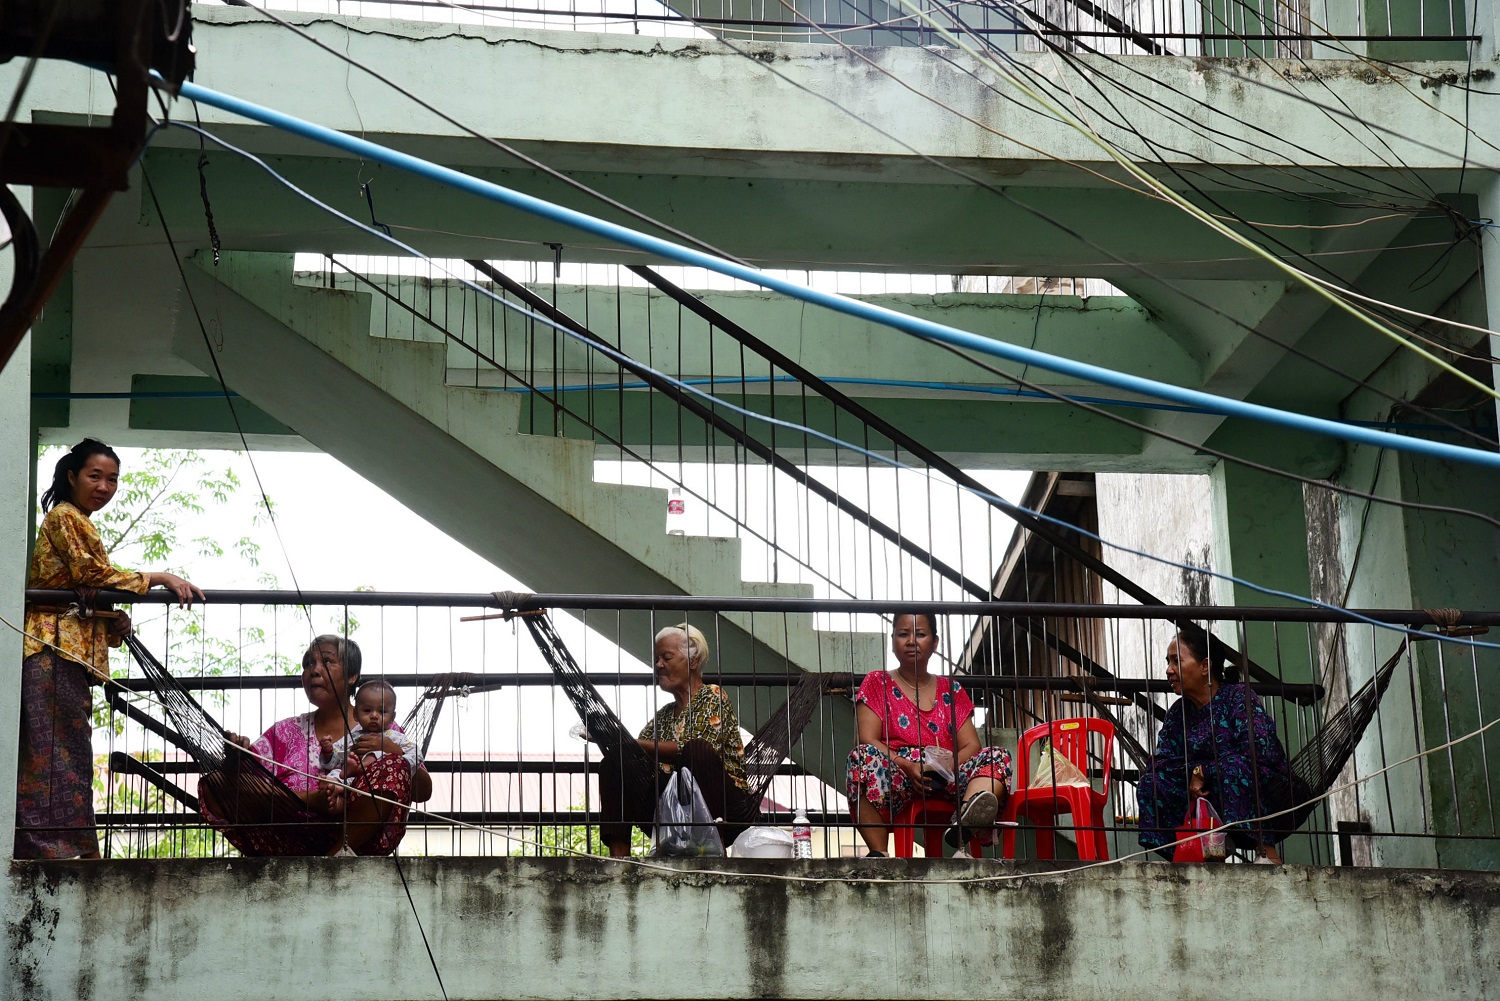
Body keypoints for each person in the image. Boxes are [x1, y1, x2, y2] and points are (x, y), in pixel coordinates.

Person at [16, 439, 202, 859]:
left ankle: (69, 846)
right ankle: (50, 848)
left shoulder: (79, 521)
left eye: (112, 479)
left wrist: (111, 617)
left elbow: (83, 588)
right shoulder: (65, 517)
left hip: (67, 651)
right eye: (94, 476)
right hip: (53, 647)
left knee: (67, 749)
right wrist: (160, 576)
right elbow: (90, 572)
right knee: (55, 752)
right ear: (71, 476)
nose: (104, 486)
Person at [200, 635, 433, 856]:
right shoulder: (284, 731)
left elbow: (424, 791)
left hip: (359, 840)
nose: (314, 670)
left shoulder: (386, 731)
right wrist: (238, 754)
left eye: (327, 661)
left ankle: (331, 859)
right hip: (287, 838)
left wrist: (395, 752)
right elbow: (244, 781)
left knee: (393, 764)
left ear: (352, 676)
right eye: (309, 663)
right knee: (214, 783)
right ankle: (317, 823)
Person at [845, 613, 1013, 858]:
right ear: (892, 642)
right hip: (898, 772)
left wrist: (945, 765)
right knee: (860, 757)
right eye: (903, 634)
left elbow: (971, 744)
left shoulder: (951, 688)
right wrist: (906, 764)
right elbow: (867, 739)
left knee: (997, 755)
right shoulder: (876, 682)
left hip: (946, 773)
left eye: (921, 634)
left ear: (935, 643)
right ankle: (879, 856)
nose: (912, 641)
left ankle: (965, 820)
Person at [596, 622, 760, 856]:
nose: (658, 665)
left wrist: (629, 742)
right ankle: (619, 862)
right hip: (671, 810)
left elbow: (693, 749)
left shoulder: (713, 696)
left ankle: (716, 846)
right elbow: (636, 758)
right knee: (613, 764)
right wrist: (611, 740)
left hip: (726, 807)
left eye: (667, 657)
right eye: (656, 660)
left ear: (692, 662)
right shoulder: (663, 715)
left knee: (696, 750)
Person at [1136, 624, 1292, 863]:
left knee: (1234, 769)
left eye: (1177, 661)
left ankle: (1266, 851)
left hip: (1257, 782)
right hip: (1202, 790)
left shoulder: (1237, 697)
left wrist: (1204, 770)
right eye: (1168, 662)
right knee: (1152, 783)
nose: (1169, 670)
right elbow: (1162, 762)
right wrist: (1194, 775)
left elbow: (1257, 748)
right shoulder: (1178, 713)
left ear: (1205, 666)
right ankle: (1190, 855)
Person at [320, 679, 419, 785]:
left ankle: (359, 768)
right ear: (356, 714)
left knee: (380, 754)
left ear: (392, 717)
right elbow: (335, 760)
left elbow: (417, 755)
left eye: (382, 711)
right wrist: (328, 752)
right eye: (367, 710)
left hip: (379, 782)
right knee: (335, 773)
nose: (374, 716)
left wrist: (397, 753)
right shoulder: (351, 738)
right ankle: (334, 787)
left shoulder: (396, 737)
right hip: (351, 781)